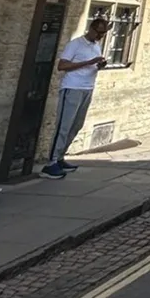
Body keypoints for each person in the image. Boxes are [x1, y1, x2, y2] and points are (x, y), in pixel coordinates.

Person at [42, 17, 109, 179]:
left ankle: (60, 157)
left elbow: (92, 65)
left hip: (87, 88)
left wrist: (98, 65)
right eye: (99, 33)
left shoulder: (96, 46)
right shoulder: (76, 44)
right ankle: (50, 164)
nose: (100, 36)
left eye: (103, 33)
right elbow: (62, 66)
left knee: (76, 125)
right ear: (91, 29)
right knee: (63, 126)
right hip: (72, 87)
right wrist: (89, 62)